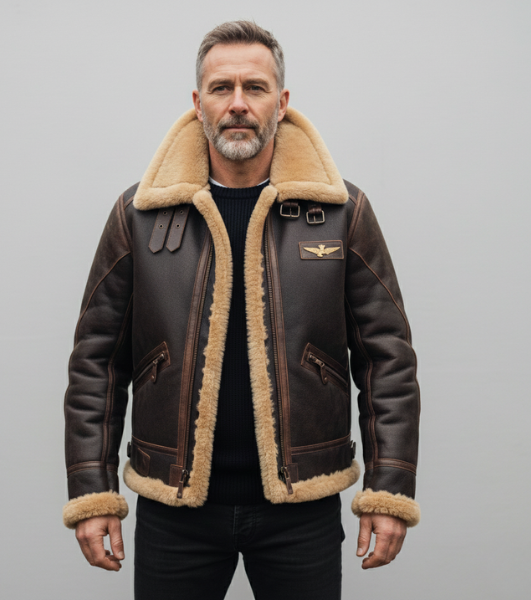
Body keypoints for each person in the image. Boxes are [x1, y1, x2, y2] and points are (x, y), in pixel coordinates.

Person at [63, 20, 420, 599]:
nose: (237, 104)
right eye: (221, 88)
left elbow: (388, 360)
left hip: (301, 508)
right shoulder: (139, 214)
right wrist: (91, 489)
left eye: (254, 88)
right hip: (174, 509)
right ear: (197, 102)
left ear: (281, 102)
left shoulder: (341, 211)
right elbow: (95, 362)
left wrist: (390, 488)